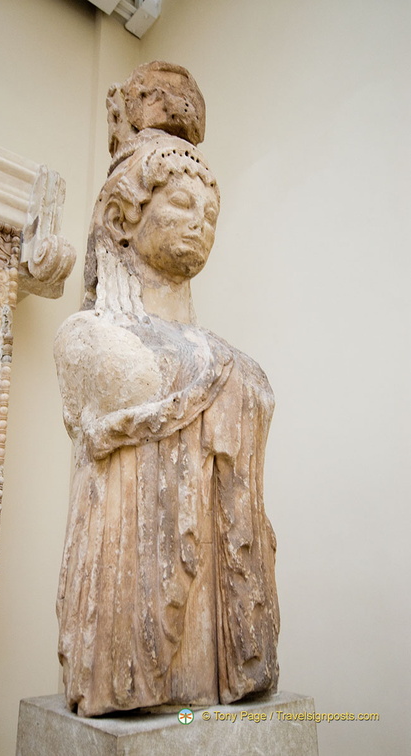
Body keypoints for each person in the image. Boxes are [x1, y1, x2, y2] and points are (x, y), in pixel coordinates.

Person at [54, 130, 279, 717]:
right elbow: (129, 383)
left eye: (210, 214)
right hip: (130, 590)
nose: (200, 223)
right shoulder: (90, 335)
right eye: (180, 203)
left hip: (218, 622)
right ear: (122, 219)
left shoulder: (233, 361)